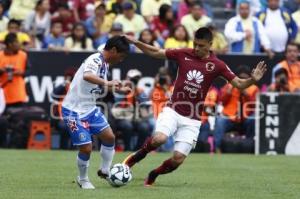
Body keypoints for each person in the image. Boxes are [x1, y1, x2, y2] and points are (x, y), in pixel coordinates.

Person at [122, 27, 267, 186]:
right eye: (195, 44)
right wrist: (136, 42)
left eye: (201, 45)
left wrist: (252, 80)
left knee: (177, 159)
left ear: (210, 45)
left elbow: (239, 83)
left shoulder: (217, 65)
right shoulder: (183, 53)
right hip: (173, 110)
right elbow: (156, 52)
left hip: (193, 119)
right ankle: (132, 160)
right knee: (159, 139)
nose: (197, 48)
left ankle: (153, 175)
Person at [61, 36, 131, 189]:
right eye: (121, 56)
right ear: (113, 50)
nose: (121, 60)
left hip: (89, 108)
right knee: (86, 147)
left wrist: (118, 88)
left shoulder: (104, 62)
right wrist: (107, 83)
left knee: (109, 137)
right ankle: (83, 179)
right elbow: (87, 75)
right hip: (74, 110)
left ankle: (105, 170)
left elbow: (98, 85)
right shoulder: (95, 59)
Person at [214, 65, 259, 153]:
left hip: (246, 118)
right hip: (230, 118)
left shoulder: (254, 88)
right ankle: (217, 148)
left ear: (249, 78)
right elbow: (222, 102)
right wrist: (229, 92)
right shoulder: (228, 86)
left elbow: (255, 106)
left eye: (245, 78)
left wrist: (245, 93)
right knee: (220, 120)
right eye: (240, 78)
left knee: (253, 119)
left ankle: (249, 147)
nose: (242, 80)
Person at [0, 33, 28, 109]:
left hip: (18, 94)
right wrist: (1, 71)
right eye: (16, 42)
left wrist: (21, 72)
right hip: (3, 94)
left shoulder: (23, 55)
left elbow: (29, 71)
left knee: (19, 118)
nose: (19, 44)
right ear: (10, 44)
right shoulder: (0, 56)